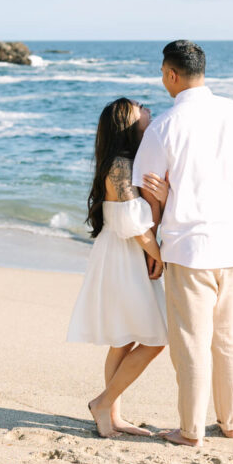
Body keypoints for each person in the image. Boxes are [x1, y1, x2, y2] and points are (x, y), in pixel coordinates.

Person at [132, 41, 233, 447]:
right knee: (228, 341)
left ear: (170, 74)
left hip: (189, 248)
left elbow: (147, 194)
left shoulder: (165, 126)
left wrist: (151, 247)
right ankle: (232, 423)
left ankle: (190, 431)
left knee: (191, 344)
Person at [67, 97, 170, 438]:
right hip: (126, 254)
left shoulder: (125, 161)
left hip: (123, 252)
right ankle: (103, 403)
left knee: (124, 340)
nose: (147, 106)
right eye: (140, 106)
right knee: (155, 339)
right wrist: (157, 255)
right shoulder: (121, 164)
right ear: (127, 121)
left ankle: (111, 414)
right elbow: (131, 223)